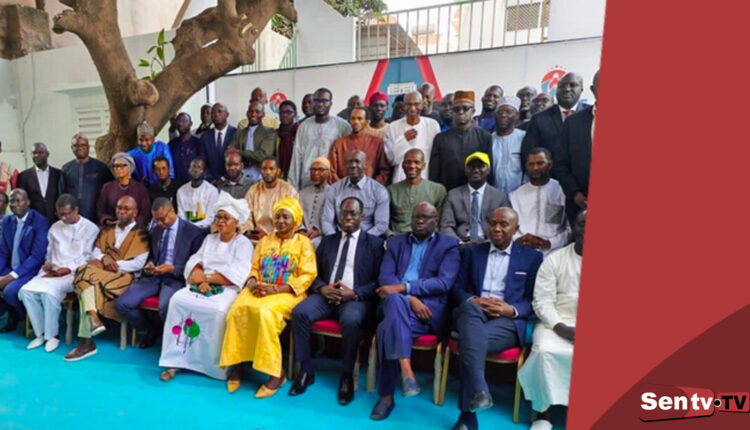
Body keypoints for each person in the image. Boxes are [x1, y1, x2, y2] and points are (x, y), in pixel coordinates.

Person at [451, 207, 544, 430]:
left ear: (516, 228)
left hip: (507, 322)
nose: (497, 229)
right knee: (469, 312)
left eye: (504, 224)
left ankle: (467, 416)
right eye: (493, 223)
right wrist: (474, 300)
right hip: (473, 314)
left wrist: (510, 309)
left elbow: (533, 298)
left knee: (470, 343)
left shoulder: (531, 257)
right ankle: (479, 390)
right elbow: (458, 289)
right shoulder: (473, 252)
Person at [369, 202, 460, 421]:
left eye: (426, 217)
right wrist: (409, 299)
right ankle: (406, 370)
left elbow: (444, 282)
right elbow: (385, 277)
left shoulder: (449, 245)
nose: (420, 221)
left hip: (426, 311)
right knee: (394, 304)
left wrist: (405, 289)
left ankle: (386, 397)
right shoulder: (396, 242)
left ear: (436, 221)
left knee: (387, 328)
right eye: (416, 217)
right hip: (398, 304)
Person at [290, 197, 385, 404]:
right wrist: (322, 288)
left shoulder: (375, 244)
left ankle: (346, 376)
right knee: (299, 313)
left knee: (351, 320)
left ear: (362, 216)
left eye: (353, 213)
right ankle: (306, 371)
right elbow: (313, 272)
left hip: (354, 299)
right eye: (344, 213)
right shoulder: (328, 241)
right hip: (326, 295)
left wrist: (355, 293)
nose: (348, 217)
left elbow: (378, 281)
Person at [220, 197, 316, 398]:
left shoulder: (304, 243)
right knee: (236, 310)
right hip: (260, 288)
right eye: (277, 217)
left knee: (264, 314)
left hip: (288, 292)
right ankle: (237, 364)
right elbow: (253, 267)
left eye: (286, 217)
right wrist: (252, 283)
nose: (280, 221)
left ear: (296, 220)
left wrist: (277, 289)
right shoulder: (265, 241)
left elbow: (308, 275)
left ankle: (276, 374)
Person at [158, 193, 253, 381]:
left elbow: (237, 274)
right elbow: (196, 260)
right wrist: (199, 276)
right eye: (218, 217)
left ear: (236, 221)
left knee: (217, 311)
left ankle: (213, 365)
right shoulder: (210, 239)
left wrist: (206, 279)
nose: (221, 221)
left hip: (227, 289)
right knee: (177, 301)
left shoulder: (243, 243)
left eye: (226, 218)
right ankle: (175, 360)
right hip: (200, 284)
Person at [518, 211, 585, 430]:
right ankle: (542, 411)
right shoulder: (555, 260)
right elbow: (542, 302)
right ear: (573, 228)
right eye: (582, 225)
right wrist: (560, 327)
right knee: (544, 351)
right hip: (554, 324)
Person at [64, 195, 149, 361]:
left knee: (82, 273)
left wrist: (114, 264)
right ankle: (90, 328)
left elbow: (139, 263)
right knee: (88, 284)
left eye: (126, 209)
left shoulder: (141, 233)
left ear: (135, 212)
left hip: (123, 277)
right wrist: (104, 258)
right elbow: (95, 252)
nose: (122, 211)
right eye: (119, 208)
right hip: (100, 273)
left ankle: (88, 336)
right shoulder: (107, 229)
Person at [115, 197, 204, 349]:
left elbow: (197, 265)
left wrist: (173, 268)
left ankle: (172, 340)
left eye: (162, 219)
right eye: (156, 220)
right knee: (123, 304)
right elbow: (152, 254)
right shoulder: (156, 229)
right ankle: (150, 329)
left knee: (165, 306)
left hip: (176, 278)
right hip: (154, 276)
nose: (160, 223)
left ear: (172, 211)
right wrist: (150, 263)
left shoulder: (192, 232)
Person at [19, 194, 99, 352]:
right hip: (53, 272)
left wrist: (68, 268)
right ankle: (40, 334)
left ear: (76, 210)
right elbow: (49, 253)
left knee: (48, 294)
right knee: (25, 291)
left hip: (74, 273)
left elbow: (88, 257)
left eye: (66, 214)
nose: (63, 218)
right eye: (60, 214)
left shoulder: (90, 228)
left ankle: (52, 336)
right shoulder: (55, 227)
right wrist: (49, 265)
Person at [0, 189, 49, 332]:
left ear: (28, 202)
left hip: (31, 269)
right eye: (12, 201)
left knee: (9, 292)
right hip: (11, 266)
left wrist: (10, 277)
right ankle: (13, 313)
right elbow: (3, 252)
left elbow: (37, 257)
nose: (15, 204)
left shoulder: (40, 221)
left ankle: (20, 315)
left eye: (19, 200)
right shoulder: (8, 221)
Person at [554, 71, 598, 225]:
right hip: (581, 205)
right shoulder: (574, 122)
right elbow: (561, 163)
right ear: (593, 89)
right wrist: (575, 194)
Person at [510, 148, 570, 256]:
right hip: (522, 251)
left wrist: (550, 243)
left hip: (555, 253)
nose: (535, 168)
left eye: (540, 163)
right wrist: (519, 239)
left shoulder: (562, 191)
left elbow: (569, 229)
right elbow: (510, 226)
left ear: (550, 165)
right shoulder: (515, 195)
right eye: (531, 164)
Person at [520, 73, 590, 166]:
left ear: (581, 89)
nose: (567, 89)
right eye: (562, 86)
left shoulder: (592, 114)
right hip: (551, 174)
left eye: (572, 85)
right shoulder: (539, 119)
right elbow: (528, 153)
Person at [287, 88, 351, 189]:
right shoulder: (304, 126)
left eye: (324, 101)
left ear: (330, 104)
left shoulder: (342, 126)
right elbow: (296, 158)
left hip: (332, 184)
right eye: (316, 101)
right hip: (307, 181)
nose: (320, 104)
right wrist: (292, 187)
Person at [429, 90, 493, 191]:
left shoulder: (484, 137)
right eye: (456, 109)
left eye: (465, 108)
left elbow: (489, 169)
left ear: (473, 111)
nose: (461, 112)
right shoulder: (441, 139)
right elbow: (434, 173)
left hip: (475, 193)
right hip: (447, 192)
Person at [441, 152, 509, 245]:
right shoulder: (453, 195)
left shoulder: (500, 197)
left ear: (488, 170)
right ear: (465, 171)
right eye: (471, 167)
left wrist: (489, 244)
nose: (476, 170)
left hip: (490, 244)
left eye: (481, 166)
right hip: (460, 244)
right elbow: (446, 226)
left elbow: (506, 226)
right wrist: (459, 243)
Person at [321, 150, 389, 237]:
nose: (353, 165)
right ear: (346, 165)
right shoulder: (334, 189)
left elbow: (381, 224)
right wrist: (334, 239)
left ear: (365, 165)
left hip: (367, 239)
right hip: (339, 237)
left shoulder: (379, 191)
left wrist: (361, 240)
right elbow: (326, 220)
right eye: (350, 162)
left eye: (357, 161)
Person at [384, 91, 441, 184]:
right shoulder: (393, 127)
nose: (412, 108)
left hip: (426, 181)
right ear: (403, 106)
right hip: (400, 181)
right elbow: (391, 160)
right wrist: (403, 140)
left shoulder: (432, 125)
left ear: (422, 105)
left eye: (416, 104)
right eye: (408, 104)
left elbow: (436, 158)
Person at [388, 148, 446, 234]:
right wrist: (391, 237)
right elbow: (384, 222)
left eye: (417, 162)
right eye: (408, 162)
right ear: (403, 165)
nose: (412, 166)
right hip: (398, 238)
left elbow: (441, 222)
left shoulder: (438, 190)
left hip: (428, 238)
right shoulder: (391, 190)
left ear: (424, 165)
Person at [328, 107, 391, 185]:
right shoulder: (339, 143)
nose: (356, 122)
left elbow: (384, 171)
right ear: (349, 121)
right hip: (343, 189)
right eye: (353, 119)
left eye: (360, 118)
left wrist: (372, 186)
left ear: (366, 121)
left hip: (369, 189)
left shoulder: (377, 142)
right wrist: (342, 187)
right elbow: (331, 171)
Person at [60, 133, 113, 223]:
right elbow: (62, 193)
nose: (80, 148)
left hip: (95, 216)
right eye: (76, 145)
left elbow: (109, 191)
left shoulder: (101, 167)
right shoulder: (66, 169)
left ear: (88, 147)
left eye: (83, 145)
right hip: (73, 216)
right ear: (72, 148)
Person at [242, 157, 298, 240]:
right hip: (256, 238)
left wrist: (270, 236)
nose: (267, 172)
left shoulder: (289, 191)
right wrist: (250, 232)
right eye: (264, 169)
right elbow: (246, 216)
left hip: (281, 238)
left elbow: (292, 219)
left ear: (278, 171)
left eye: (271, 169)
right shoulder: (253, 190)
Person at [96, 153, 151, 227]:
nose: (119, 169)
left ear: (129, 166)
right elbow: (100, 210)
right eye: (116, 166)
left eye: (123, 166)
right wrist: (108, 221)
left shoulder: (140, 188)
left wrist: (129, 223)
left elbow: (145, 213)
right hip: (112, 227)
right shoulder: (107, 187)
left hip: (134, 228)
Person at [228, 101, 277, 184]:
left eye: (257, 112)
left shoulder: (269, 132)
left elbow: (264, 156)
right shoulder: (239, 133)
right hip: (241, 178)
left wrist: (240, 152)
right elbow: (230, 154)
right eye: (251, 111)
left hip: (262, 178)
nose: (253, 114)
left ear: (263, 114)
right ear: (247, 113)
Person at [16, 142, 62, 223]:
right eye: (34, 153)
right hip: (34, 221)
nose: (37, 155)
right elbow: (22, 200)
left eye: (40, 152)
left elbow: (61, 195)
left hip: (55, 219)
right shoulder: (23, 176)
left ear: (47, 154)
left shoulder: (58, 174)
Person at [490, 96, 526, 194]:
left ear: (517, 115)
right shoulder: (489, 140)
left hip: (520, 196)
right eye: (499, 112)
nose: (503, 115)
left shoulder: (524, 138)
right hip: (494, 196)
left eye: (508, 112)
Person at [176, 157, 219, 230]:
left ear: (204, 172)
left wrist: (193, 227)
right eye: (193, 166)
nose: (196, 170)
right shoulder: (181, 191)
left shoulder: (212, 191)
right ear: (189, 170)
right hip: (186, 230)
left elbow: (211, 218)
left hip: (205, 230)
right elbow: (181, 216)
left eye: (199, 167)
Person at [128, 122, 175, 187]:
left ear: (153, 139)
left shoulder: (161, 148)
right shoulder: (132, 155)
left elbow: (170, 171)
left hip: (163, 186)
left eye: (147, 140)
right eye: (141, 140)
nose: (143, 143)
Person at [200, 103, 237, 182]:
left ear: (227, 114)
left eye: (220, 111)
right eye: (213, 112)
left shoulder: (236, 134)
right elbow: (202, 160)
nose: (216, 114)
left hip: (232, 181)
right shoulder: (205, 136)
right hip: (211, 182)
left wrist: (224, 179)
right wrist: (211, 179)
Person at [299, 157, 330, 247]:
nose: (315, 173)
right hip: (302, 234)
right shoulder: (302, 193)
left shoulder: (332, 193)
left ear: (328, 173)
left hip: (322, 235)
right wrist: (302, 230)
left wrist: (319, 231)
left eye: (321, 170)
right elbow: (297, 215)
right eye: (313, 170)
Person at [169, 112, 203, 183]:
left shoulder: (198, 143)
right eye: (178, 121)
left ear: (191, 123)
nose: (181, 124)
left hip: (194, 183)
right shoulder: (172, 144)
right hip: (176, 184)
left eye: (184, 121)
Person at [276, 100, 299, 179]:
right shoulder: (275, 134)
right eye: (282, 112)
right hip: (278, 176)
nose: (285, 115)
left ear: (295, 114)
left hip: (296, 174)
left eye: (289, 112)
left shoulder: (299, 132)